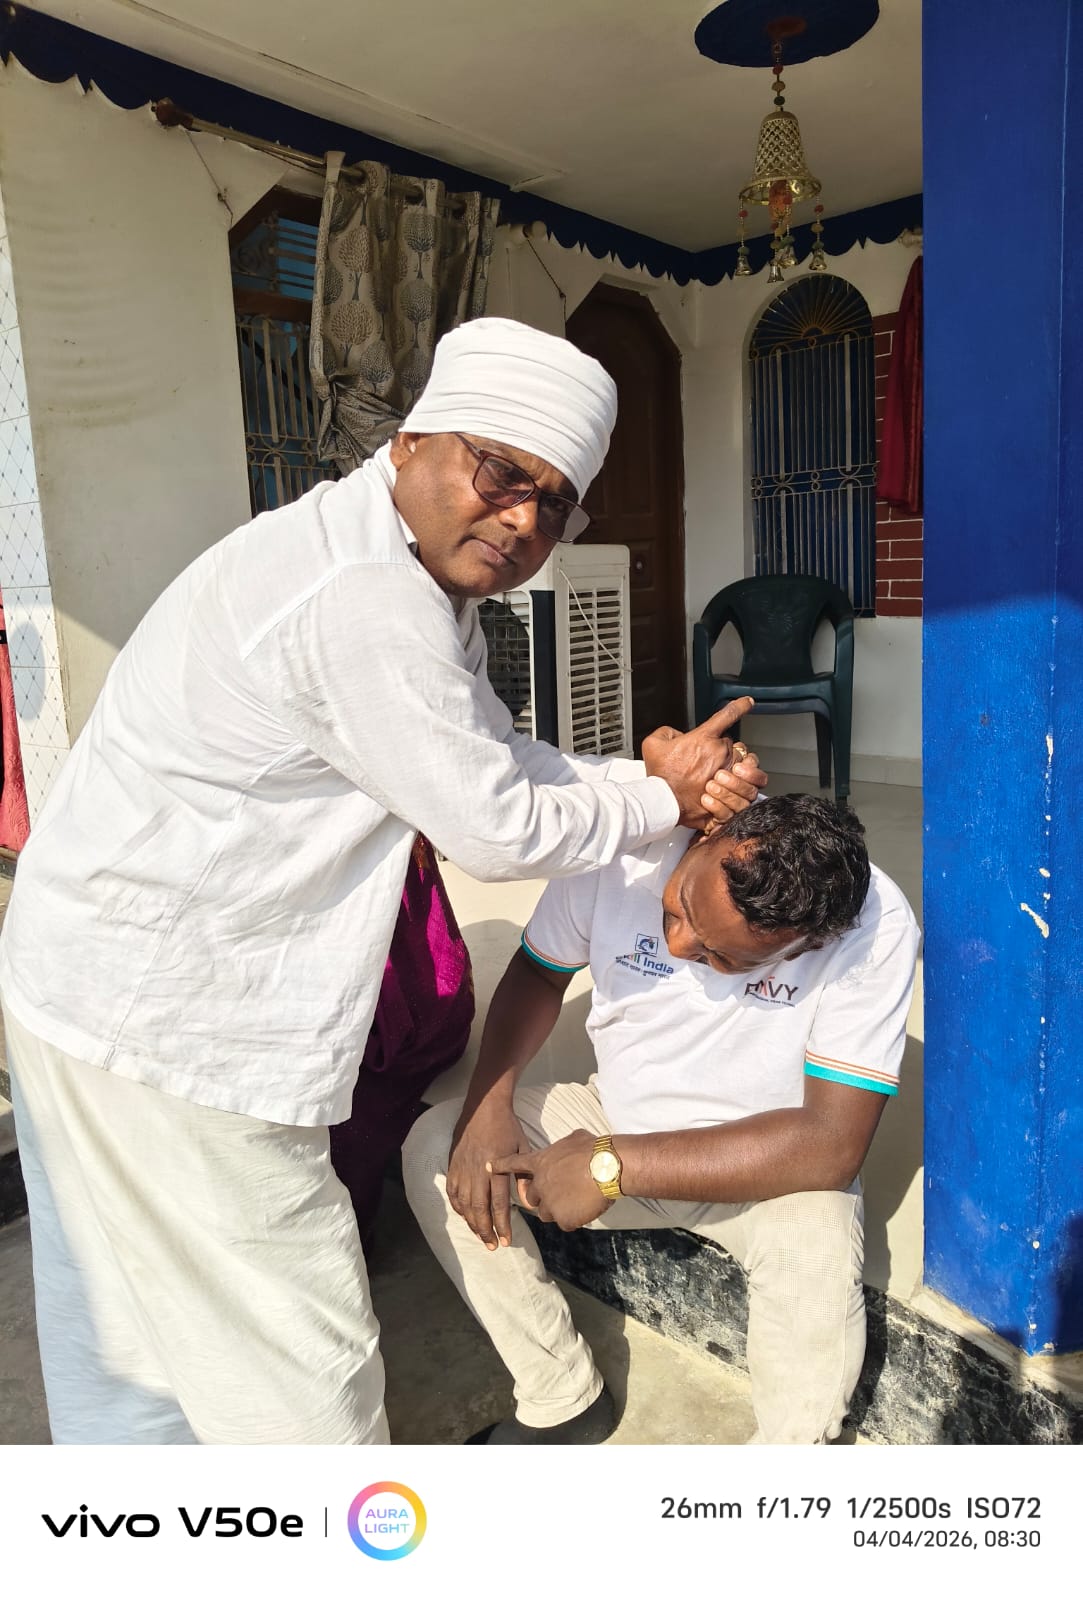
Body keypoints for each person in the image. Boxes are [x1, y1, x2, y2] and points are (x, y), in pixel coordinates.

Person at [0, 316, 766, 1446]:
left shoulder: (402, 571)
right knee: (297, 1373)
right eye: (501, 473)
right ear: (409, 442)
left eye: (556, 503)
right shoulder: (364, 593)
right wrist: (662, 798)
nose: (524, 520)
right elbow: (496, 823)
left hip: (86, 981)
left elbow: (492, 752)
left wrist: (643, 779)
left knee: (132, 1341)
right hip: (170, 1023)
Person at [403, 793, 920, 1445]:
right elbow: (539, 973)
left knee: (816, 1265)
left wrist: (610, 1166)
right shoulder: (624, 850)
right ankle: (560, 1395)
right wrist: (489, 1103)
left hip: (765, 1169)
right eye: (678, 907)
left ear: (806, 944)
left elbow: (830, 1145)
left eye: (720, 958)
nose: (679, 944)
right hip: (613, 1119)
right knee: (437, 1146)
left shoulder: (873, 924)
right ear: (711, 833)